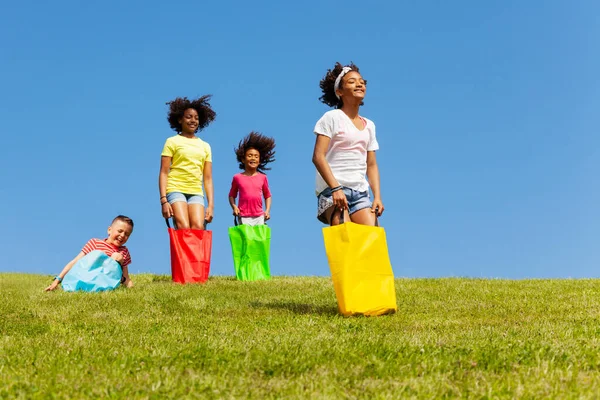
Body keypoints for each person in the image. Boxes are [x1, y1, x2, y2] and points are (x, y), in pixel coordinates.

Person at [312, 62, 384, 226]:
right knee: (343, 236)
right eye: (351, 81)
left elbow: (371, 165)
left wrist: (377, 196)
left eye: (361, 81)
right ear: (339, 91)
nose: (359, 84)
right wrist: (336, 189)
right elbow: (318, 156)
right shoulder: (331, 118)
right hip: (332, 190)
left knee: (372, 238)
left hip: (360, 192)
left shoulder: (369, 125)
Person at [159, 96, 216, 229]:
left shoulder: (205, 146)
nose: (193, 120)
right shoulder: (172, 141)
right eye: (189, 117)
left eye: (196, 118)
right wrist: (163, 201)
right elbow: (163, 173)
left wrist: (211, 205)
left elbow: (207, 179)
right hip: (175, 188)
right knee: (183, 226)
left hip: (196, 191)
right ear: (180, 119)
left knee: (198, 227)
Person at [45, 215, 134, 291]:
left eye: (127, 234)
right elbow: (75, 261)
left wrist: (131, 289)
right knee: (98, 254)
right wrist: (57, 281)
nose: (122, 235)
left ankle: (100, 287)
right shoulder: (95, 243)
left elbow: (126, 277)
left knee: (117, 256)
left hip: (105, 283)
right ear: (109, 230)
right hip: (86, 277)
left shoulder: (124, 252)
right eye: (120, 231)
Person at [228, 132, 275, 226]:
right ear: (243, 159)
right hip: (243, 215)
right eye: (250, 155)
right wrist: (234, 207)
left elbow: (268, 195)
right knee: (246, 240)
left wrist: (267, 211)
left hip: (259, 216)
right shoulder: (237, 177)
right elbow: (231, 195)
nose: (253, 158)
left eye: (256, 156)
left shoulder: (263, 177)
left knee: (258, 240)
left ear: (259, 161)